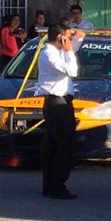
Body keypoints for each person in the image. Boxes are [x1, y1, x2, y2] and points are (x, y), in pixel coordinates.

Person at [38, 23, 85, 199]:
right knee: (63, 145)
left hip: (58, 102)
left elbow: (70, 55)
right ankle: (57, 185)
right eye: (67, 37)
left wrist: (77, 39)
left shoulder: (56, 52)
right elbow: (72, 70)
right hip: (57, 104)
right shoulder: (50, 54)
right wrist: (69, 50)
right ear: (60, 38)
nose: (70, 41)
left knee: (53, 144)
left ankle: (50, 184)